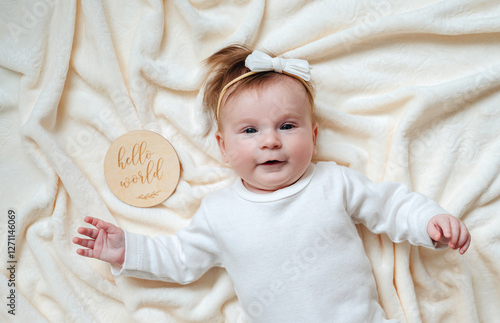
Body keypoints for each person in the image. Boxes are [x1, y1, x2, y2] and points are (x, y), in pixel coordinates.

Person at [73, 44, 471, 322]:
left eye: (287, 125)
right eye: (249, 130)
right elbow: (180, 259)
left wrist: (429, 221)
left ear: (313, 138)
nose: (270, 140)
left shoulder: (333, 182)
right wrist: (128, 251)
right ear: (223, 147)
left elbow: (391, 205)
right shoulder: (219, 213)